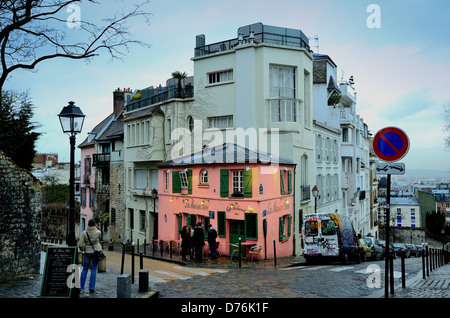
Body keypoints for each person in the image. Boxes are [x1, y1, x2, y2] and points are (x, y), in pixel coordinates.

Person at [77, 219, 102, 293]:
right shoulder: (98, 232)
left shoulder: (84, 233)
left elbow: (80, 244)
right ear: (95, 224)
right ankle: (91, 288)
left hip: (87, 252)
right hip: (96, 252)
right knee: (94, 269)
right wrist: (97, 228)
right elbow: (98, 240)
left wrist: (84, 249)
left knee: (85, 269)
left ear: (88, 224)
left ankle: (81, 287)